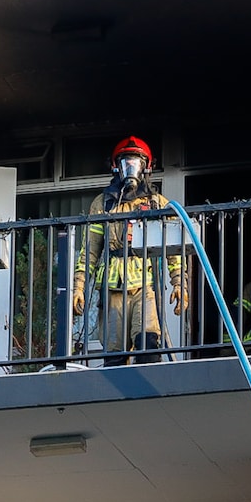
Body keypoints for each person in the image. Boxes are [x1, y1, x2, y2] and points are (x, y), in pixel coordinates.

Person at [71, 136, 188, 366]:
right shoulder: (102, 204)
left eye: (136, 162)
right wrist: (79, 286)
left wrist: (179, 282)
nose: (130, 168)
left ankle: (147, 395)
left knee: (148, 341)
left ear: (146, 167)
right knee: (114, 352)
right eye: (126, 162)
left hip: (146, 286)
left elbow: (173, 249)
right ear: (116, 167)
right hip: (112, 289)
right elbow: (90, 251)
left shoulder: (158, 203)